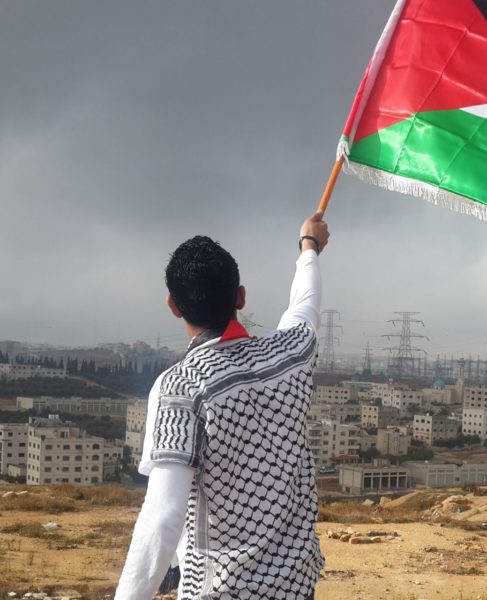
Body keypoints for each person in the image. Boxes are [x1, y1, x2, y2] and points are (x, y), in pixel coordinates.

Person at [115, 212, 329, 600]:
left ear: (173, 306)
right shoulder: (289, 357)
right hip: (297, 589)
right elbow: (305, 306)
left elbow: (162, 518)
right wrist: (308, 247)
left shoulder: (182, 385)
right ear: (241, 297)